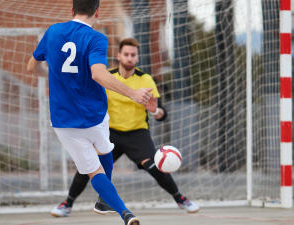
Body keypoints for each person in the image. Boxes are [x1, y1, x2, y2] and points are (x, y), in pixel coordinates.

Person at [27, 1, 153, 225]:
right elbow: (98, 74)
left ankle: (121, 211)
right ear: (97, 11)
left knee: (95, 172)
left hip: (63, 119)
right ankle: (111, 204)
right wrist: (132, 93)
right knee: (104, 151)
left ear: (71, 10)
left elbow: (31, 67)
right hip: (94, 114)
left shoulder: (53, 31)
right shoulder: (96, 38)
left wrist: (51, 75)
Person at [50, 38, 200, 218]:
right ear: (119, 56)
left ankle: (180, 199)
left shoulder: (146, 79)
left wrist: (155, 111)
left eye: (133, 55)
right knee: (89, 165)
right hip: (109, 133)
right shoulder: (108, 77)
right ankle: (68, 203)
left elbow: (162, 114)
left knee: (154, 166)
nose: (129, 58)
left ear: (137, 58)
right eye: (126, 54)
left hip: (137, 133)